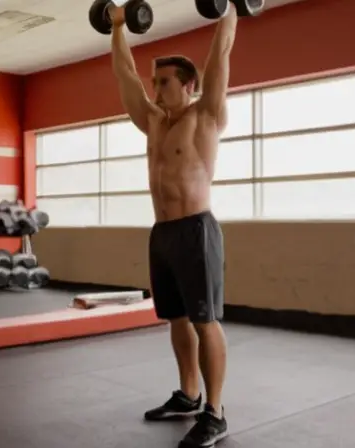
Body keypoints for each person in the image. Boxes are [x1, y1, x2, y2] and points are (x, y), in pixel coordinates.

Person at [108, 3, 238, 447]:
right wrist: (117, 27)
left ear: (188, 85)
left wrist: (232, 11)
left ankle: (215, 412)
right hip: (162, 234)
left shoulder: (207, 117)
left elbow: (219, 56)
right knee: (177, 318)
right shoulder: (153, 123)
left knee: (206, 322)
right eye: (155, 81)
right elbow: (124, 73)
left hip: (196, 231)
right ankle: (188, 394)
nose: (155, 88)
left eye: (163, 82)